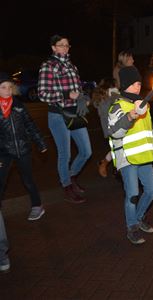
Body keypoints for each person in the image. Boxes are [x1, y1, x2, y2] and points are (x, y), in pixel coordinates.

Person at [108, 66, 153, 244]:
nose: (138, 87)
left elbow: (149, 132)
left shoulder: (145, 106)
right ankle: (132, 227)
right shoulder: (117, 106)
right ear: (126, 85)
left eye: (139, 83)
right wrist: (130, 116)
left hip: (145, 156)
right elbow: (114, 133)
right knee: (132, 195)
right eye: (135, 84)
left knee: (152, 191)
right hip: (127, 158)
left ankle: (138, 218)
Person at [38, 34, 91, 204]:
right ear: (53, 47)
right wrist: (67, 94)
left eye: (67, 45)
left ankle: (71, 176)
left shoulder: (72, 66)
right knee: (65, 153)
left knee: (86, 151)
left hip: (74, 112)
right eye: (61, 45)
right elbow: (43, 94)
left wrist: (83, 98)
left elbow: (78, 88)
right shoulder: (48, 66)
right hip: (58, 114)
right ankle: (67, 185)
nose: (65, 48)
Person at [0, 72, 47, 221]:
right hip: (4, 152)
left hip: (23, 149)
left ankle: (37, 206)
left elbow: (30, 124)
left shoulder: (19, 105)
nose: (7, 90)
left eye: (9, 87)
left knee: (28, 179)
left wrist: (40, 143)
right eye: (3, 87)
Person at [91, 78, 119, 178]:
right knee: (117, 148)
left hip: (110, 129)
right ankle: (105, 163)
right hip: (113, 128)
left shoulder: (101, 99)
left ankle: (105, 163)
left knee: (117, 148)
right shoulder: (108, 99)